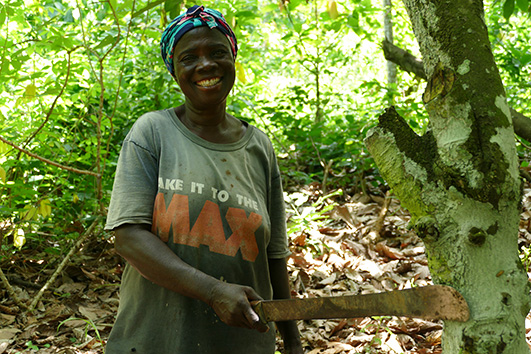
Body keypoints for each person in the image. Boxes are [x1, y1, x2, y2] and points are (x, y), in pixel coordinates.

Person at [104, 5, 303, 354]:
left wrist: (292, 342)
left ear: (232, 60)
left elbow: (274, 258)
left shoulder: (258, 147)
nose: (206, 65)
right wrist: (213, 291)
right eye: (189, 58)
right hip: (155, 342)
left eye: (216, 53)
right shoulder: (153, 133)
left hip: (242, 344)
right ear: (175, 70)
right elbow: (128, 237)